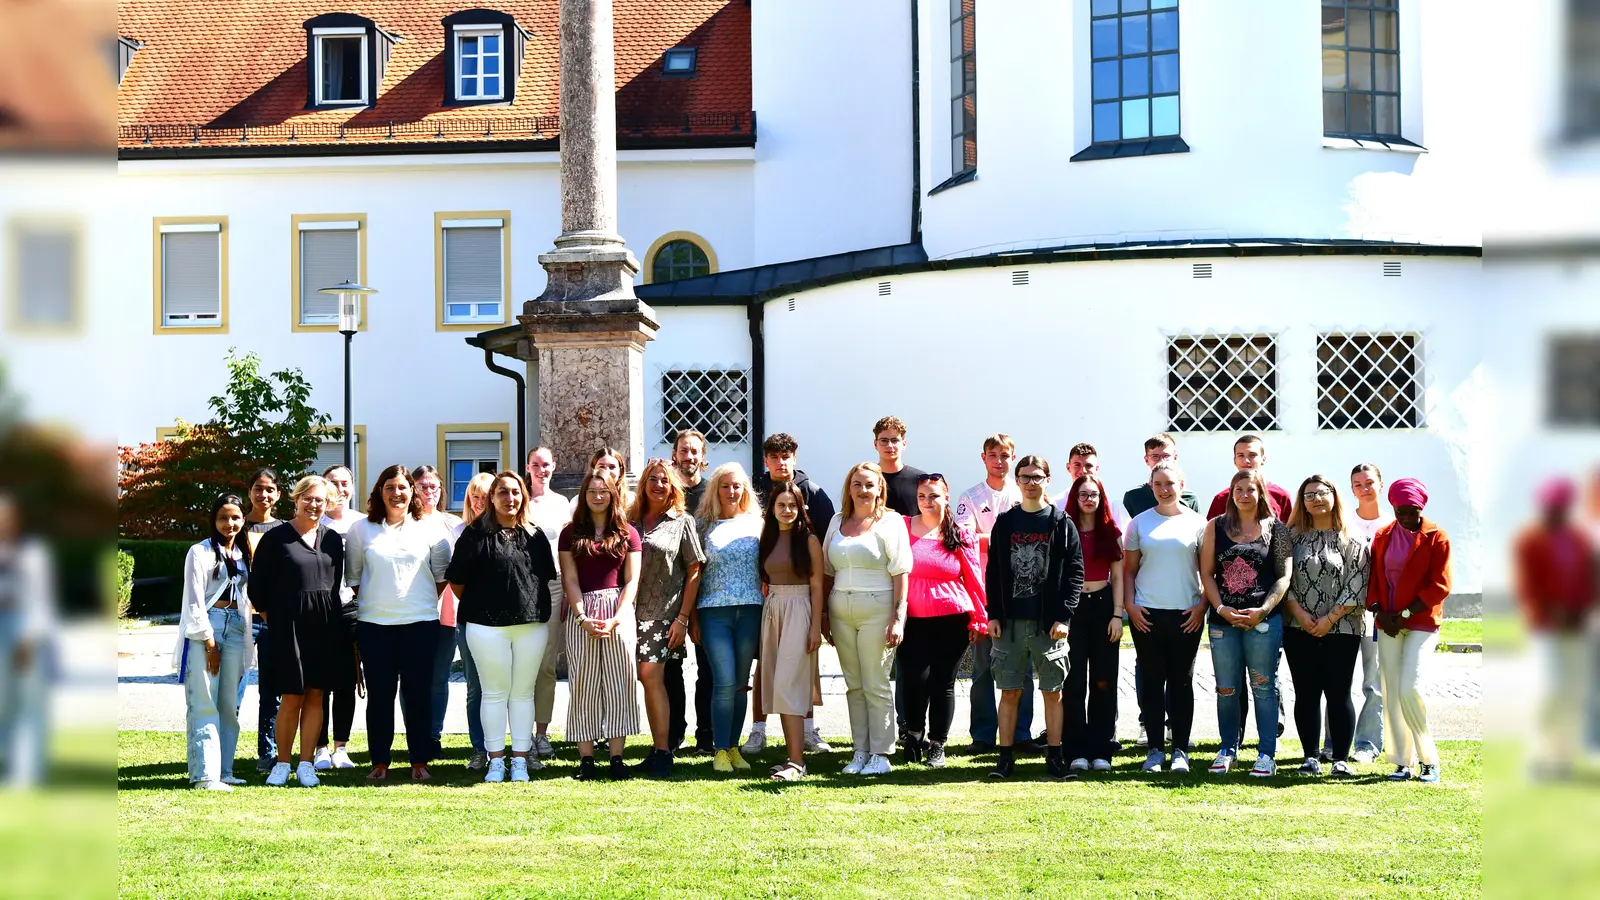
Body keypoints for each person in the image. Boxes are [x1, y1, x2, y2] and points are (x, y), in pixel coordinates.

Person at [447, 471, 558, 784]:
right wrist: (485, 604)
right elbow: (457, 581)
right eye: (503, 492)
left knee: (522, 694)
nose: (511, 498)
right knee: (494, 694)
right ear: (492, 498)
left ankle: (520, 760)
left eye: (516, 492)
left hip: (530, 625)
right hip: (485, 627)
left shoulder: (535, 535)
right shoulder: (474, 535)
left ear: (523, 496)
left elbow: (544, 578)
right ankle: (496, 761)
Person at [344, 465, 451, 781]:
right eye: (389, 487)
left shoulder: (431, 529)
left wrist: (413, 601)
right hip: (375, 626)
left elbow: (441, 577)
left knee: (418, 695)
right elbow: (355, 578)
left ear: (412, 491)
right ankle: (379, 761)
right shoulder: (361, 530)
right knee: (380, 697)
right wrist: (384, 601)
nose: (396, 493)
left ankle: (419, 761)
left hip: (421, 624)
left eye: (402, 487)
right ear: (380, 491)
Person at [984, 455, 1084, 780]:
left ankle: (1055, 757)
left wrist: (1064, 617)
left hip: (1048, 623)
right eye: (1025, 477)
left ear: (1047, 480)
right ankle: (1004, 759)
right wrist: (993, 614)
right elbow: (993, 572)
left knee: (1053, 692)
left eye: (1037, 477)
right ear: (1017, 481)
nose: (1031, 483)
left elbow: (1075, 573)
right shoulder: (1005, 522)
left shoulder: (1061, 522)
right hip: (1010, 623)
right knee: (1009, 691)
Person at [249, 476, 347, 787]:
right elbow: (257, 589)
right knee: (291, 695)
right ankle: (282, 763)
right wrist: (279, 620)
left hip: (324, 626)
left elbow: (334, 585)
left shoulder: (333, 540)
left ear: (327, 504)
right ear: (296, 498)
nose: (314, 505)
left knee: (316, 693)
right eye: (308, 498)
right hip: (287, 627)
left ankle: (306, 764)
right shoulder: (275, 538)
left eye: (320, 500)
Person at [1200, 469, 1292, 778]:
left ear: (1261, 492)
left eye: (1250, 489)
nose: (1244, 495)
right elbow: (1206, 574)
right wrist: (1221, 608)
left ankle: (1266, 754)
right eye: (1238, 489)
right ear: (1231, 493)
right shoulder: (1216, 527)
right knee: (1227, 688)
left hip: (1263, 623)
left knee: (1263, 687)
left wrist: (1263, 610)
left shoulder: (1276, 529)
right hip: (1223, 622)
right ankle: (1228, 749)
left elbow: (1284, 576)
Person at [824, 462, 913, 776]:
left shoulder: (891, 522)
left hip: (878, 608)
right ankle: (860, 751)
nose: (863, 490)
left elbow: (901, 572)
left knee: (875, 682)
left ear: (880, 489)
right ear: (849, 489)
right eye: (857, 484)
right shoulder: (837, 521)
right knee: (854, 685)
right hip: (840, 609)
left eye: (869, 484)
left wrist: (898, 618)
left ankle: (881, 754)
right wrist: (823, 615)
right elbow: (827, 570)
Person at [750, 432, 835, 754]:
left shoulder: (813, 492)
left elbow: (825, 548)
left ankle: (808, 730)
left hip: (802, 598)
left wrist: (821, 614)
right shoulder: (754, 491)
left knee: (800, 667)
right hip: (768, 597)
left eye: (786, 457)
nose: (780, 462)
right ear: (766, 460)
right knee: (765, 664)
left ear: (794, 458)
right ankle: (758, 730)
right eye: (774, 457)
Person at [1282, 475, 1370, 778]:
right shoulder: (1290, 538)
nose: (1316, 499)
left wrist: (1329, 618)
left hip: (1343, 628)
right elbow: (1281, 579)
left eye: (1322, 493)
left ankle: (1340, 759)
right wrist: (1299, 613)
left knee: (1338, 692)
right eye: (1309, 495)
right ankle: (1309, 757)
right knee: (1306, 693)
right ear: (1302, 502)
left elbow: (1357, 581)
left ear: (1334, 496)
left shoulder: (1352, 537)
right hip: (1298, 627)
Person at [560, 468, 643, 781]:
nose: (597, 497)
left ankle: (617, 757)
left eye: (603, 491)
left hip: (618, 611)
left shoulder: (628, 533)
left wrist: (617, 618)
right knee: (584, 684)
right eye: (592, 491)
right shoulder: (570, 533)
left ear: (613, 495)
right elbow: (569, 578)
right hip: (582, 611)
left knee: (621, 683)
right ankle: (586, 759)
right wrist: (582, 617)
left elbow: (632, 580)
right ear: (584, 495)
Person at [1124, 461, 1207, 774]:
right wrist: (1130, 606)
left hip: (1187, 614)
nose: (1164, 489)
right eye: (1158, 484)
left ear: (1181, 485)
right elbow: (1129, 571)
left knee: (1181, 683)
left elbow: (1207, 572)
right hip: (1146, 614)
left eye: (1170, 483)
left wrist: (1201, 607)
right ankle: (1155, 751)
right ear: (1151, 487)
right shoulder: (1139, 523)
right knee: (1152, 681)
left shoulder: (1198, 523)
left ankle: (1180, 751)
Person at [900, 474, 987, 768]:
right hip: (912, 618)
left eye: (934, 495)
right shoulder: (902, 527)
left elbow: (973, 577)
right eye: (922, 496)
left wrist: (979, 618)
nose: (927, 501)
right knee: (915, 680)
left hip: (952, 618)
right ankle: (914, 734)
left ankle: (938, 744)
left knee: (943, 683)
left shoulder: (960, 533)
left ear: (946, 497)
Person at [1514, 476, 1598, 779]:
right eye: (1551, 507)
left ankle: (1563, 759)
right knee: (1550, 691)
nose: (1555, 512)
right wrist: (1553, 612)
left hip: (1577, 626)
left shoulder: (1579, 538)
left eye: (1560, 507)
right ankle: (1541, 757)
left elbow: (1591, 579)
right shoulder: (1530, 540)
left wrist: (1582, 611)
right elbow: (1528, 585)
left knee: (1574, 693)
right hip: (1545, 627)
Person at [1369, 478, 1451, 784]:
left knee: (1410, 688)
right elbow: (1374, 579)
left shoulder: (1437, 537)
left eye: (1412, 511)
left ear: (1422, 507)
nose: (1405, 517)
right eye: (1399, 511)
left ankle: (1429, 761)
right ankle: (1402, 762)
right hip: (1388, 623)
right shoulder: (1383, 536)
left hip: (1420, 622)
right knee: (1391, 692)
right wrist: (1378, 610)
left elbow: (1440, 585)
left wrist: (1404, 615)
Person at [954, 433, 1033, 752]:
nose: (999, 461)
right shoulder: (970, 497)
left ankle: (1021, 733)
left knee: (1023, 666)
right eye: (993, 455)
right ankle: (983, 735)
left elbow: (1031, 537)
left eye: (1004, 455)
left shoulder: (1023, 493)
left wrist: (987, 537)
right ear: (983, 458)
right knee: (983, 668)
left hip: (1021, 591)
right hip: (983, 592)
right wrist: (1005, 536)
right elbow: (964, 540)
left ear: (1012, 458)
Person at [628, 459, 705, 778]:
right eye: (653, 479)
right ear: (643, 484)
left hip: (663, 614)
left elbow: (695, 569)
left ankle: (663, 751)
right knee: (644, 679)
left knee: (651, 677)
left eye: (664, 480)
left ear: (672, 486)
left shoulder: (682, 521)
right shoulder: (629, 519)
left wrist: (683, 618)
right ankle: (655, 747)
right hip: (627, 612)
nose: (658, 485)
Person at [693, 462, 766, 774]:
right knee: (723, 681)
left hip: (751, 609)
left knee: (740, 684)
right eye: (725, 486)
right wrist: (691, 618)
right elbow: (693, 574)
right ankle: (720, 749)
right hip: (713, 611)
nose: (732, 491)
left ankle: (734, 747)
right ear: (715, 490)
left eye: (737, 486)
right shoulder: (702, 526)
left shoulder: (759, 524)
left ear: (746, 489)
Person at [177, 493, 253, 790]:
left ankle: (225, 770)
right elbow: (194, 600)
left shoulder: (243, 553)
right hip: (208, 628)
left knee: (229, 703)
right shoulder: (200, 552)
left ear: (243, 520)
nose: (229, 523)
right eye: (223, 517)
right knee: (204, 700)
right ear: (213, 520)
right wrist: (209, 643)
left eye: (235, 517)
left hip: (237, 627)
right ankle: (205, 776)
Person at [758, 481, 827, 781]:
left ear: (801, 508)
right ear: (772, 509)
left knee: (790, 685)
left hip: (799, 609)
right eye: (781, 505)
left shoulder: (809, 540)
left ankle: (797, 763)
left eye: (792, 505)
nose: (787, 511)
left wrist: (815, 628)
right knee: (778, 685)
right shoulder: (768, 538)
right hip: (773, 609)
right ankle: (793, 757)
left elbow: (817, 586)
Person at [1062, 475, 1125, 774]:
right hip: (1073, 609)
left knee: (1103, 682)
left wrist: (1117, 615)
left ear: (1101, 499)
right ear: (1075, 498)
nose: (1089, 499)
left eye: (1094, 495)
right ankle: (1075, 750)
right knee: (1072, 681)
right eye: (1084, 494)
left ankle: (1101, 750)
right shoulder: (1064, 530)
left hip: (1103, 607)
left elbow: (1119, 576)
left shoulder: (1110, 531)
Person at [411, 465, 464, 761]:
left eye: (434, 486)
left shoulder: (452, 524)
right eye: (423, 485)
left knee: (439, 676)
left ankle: (433, 735)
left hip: (446, 610)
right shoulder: (405, 522)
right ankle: (414, 734)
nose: (429, 491)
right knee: (412, 677)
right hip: (412, 610)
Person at [1342, 462, 1393, 763]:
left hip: (1377, 615)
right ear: (1352, 489)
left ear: (1381, 484)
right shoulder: (1343, 522)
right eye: (1358, 484)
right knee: (1339, 682)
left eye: (1369, 482)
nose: (1364, 488)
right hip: (1344, 613)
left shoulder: (1392, 524)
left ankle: (1367, 744)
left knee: (1374, 683)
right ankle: (1334, 743)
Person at [0, 496, 51, 787]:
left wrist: (28, 639)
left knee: (26, 703)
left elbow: (38, 598)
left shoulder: (31, 554)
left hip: (23, 633)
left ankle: (26, 772)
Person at [313, 465, 359, 772]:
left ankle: (341, 747)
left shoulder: (362, 524)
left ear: (352, 487)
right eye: (333, 483)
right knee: (318, 684)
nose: (339, 489)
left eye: (345, 483)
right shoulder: (313, 522)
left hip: (350, 610)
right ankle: (319, 747)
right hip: (316, 612)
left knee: (346, 682)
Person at [526, 447, 571, 762]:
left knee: (545, 665)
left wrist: (568, 591)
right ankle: (521, 734)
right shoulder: (521, 501)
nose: (541, 470)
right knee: (521, 665)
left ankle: (541, 734)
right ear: (528, 467)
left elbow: (567, 550)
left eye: (546, 465)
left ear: (554, 467)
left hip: (554, 586)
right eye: (536, 465)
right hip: (523, 587)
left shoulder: (562, 504)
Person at [671, 429, 714, 756]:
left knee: (708, 669)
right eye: (683, 451)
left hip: (708, 588)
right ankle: (673, 736)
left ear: (703, 456)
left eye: (694, 451)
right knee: (670, 668)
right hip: (671, 591)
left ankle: (706, 738)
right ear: (674, 455)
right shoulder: (665, 490)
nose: (689, 457)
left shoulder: (713, 493)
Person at [453, 472, 496, 769]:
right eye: (474, 496)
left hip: (507, 622)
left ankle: (512, 746)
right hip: (470, 620)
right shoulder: (460, 532)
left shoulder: (510, 529)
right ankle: (479, 749)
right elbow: (456, 581)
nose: (480, 502)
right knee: (476, 688)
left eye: (486, 496)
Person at [243, 468, 283, 774]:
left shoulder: (284, 529)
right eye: (258, 488)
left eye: (270, 489)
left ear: (278, 494)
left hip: (273, 617)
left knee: (271, 690)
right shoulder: (235, 524)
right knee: (233, 688)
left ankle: (267, 752)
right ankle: (223, 750)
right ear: (249, 492)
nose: (264, 494)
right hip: (239, 617)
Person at [1205, 435, 1294, 520]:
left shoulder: (1281, 496)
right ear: (1234, 460)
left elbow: (1290, 529)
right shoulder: (1221, 499)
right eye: (1241, 455)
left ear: (1263, 459)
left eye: (1252, 455)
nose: (1246, 461)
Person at [873, 416, 927, 518]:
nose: (889, 445)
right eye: (884, 440)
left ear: (904, 444)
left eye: (894, 440)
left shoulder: (920, 479)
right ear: (875, 444)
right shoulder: (866, 479)